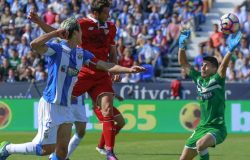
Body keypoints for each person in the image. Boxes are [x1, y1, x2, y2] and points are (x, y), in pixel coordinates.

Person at [0, 17, 145, 160]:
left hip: (66, 107)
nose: (83, 34)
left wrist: (128, 70)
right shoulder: (57, 49)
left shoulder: (82, 54)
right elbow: (34, 44)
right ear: (74, 33)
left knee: (62, 152)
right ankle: (7, 148)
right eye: (80, 31)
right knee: (44, 149)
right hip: (51, 105)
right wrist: (55, 33)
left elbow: (106, 65)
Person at [28, 1, 127, 159]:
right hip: (80, 72)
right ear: (95, 13)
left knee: (101, 114)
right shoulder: (81, 24)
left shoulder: (112, 27)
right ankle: (48, 143)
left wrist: (116, 68)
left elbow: (112, 50)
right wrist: (40, 22)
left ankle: (109, 152)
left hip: (101, 72)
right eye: (105, 12)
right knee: (59, 99)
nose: (109, 15)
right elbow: (61, 35)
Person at [178, 28, 242, 160]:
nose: (202, 67)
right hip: (201, 128)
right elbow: (184, 64)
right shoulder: (198, 79)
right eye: (202, 65)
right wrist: (181, 46)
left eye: (206, 65)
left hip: (217, 128)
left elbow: (223, 67)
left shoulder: (217, 80)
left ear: (214, 68)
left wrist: (230, 51)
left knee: (201, 145)